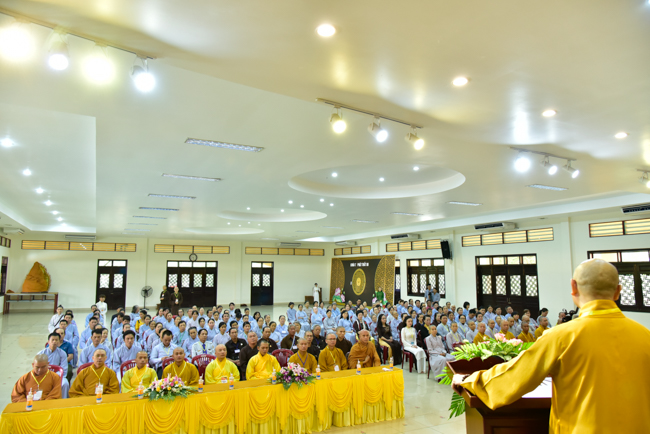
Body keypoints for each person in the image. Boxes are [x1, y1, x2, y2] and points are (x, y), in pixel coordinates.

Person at [453, 259, 650, 432]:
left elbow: (515, 376)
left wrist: (471, 380)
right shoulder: (645, 336)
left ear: (573, 287)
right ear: (618, 291)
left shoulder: (562, 336)